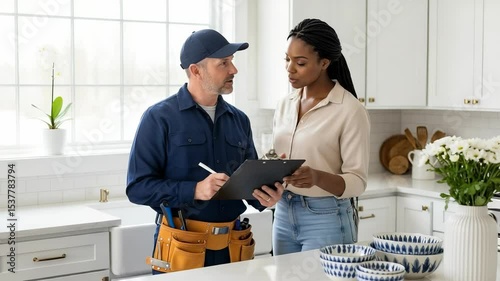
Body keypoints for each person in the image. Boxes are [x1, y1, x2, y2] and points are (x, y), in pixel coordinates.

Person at [126, 29, 282, 274]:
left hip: (233, 248)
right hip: (182, 247)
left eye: (232, 62)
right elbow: (137, 188)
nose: (234, 70)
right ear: (196, 70)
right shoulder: (158, 118)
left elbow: (246, 186)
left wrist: (266, 196)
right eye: (223, 63)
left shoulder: (239, 120)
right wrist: (195, 190)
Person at [271, 18, 371, 255]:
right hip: (283, 212)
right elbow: (279, 156)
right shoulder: (284, 104)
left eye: (300, 62)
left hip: (327, 217)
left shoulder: (349, 109)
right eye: (287, 59)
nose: (289, 69)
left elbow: (358, 182)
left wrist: (315, 177)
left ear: (324, 62)